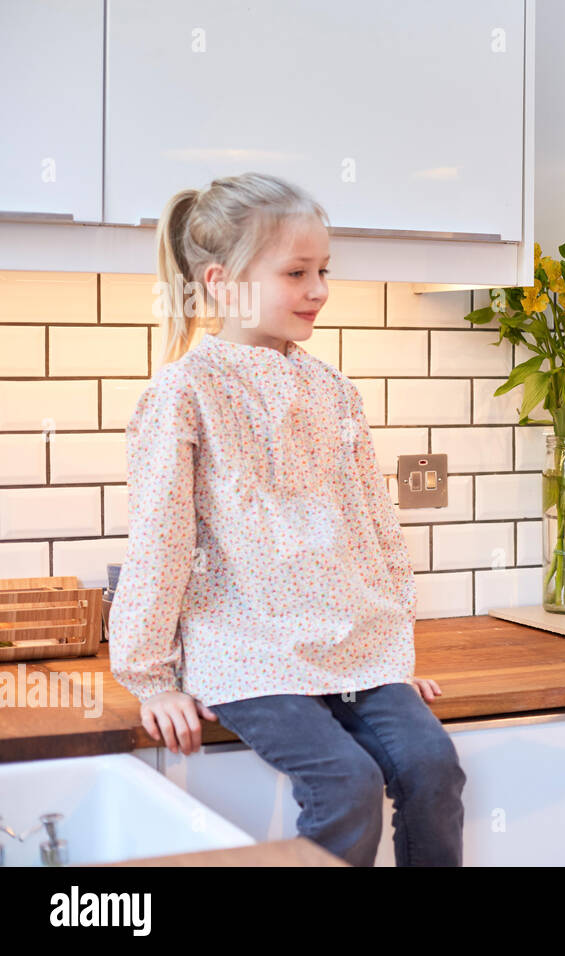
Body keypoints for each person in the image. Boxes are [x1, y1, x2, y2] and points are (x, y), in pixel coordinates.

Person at [109, 172, 466, 867]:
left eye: (324, 270)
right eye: (297, 272)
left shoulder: (333, 389)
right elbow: (160, 541)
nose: (319, 289)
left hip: (355, 651)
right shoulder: (185, 392)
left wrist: (390, 652)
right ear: (222, 281)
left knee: (434, 767)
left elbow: (374, 530)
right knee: (347, 786)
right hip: (249, 657)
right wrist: (150, 679)